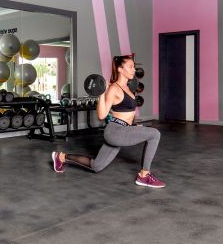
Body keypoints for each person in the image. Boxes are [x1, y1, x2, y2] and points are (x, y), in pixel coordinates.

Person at [51, 54, 165, 188]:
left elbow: (127, 112)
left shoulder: (128, 88)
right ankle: (144, 176)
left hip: (123, 130)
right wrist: (101, 94)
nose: (134, 70)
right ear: (120, 69)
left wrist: (134, 126)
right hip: (116, 131)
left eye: (134, 67)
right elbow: (102, 115)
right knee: (154, 134)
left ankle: (61, 157)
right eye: (130, 67)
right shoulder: (114, 89)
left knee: (96, 166)